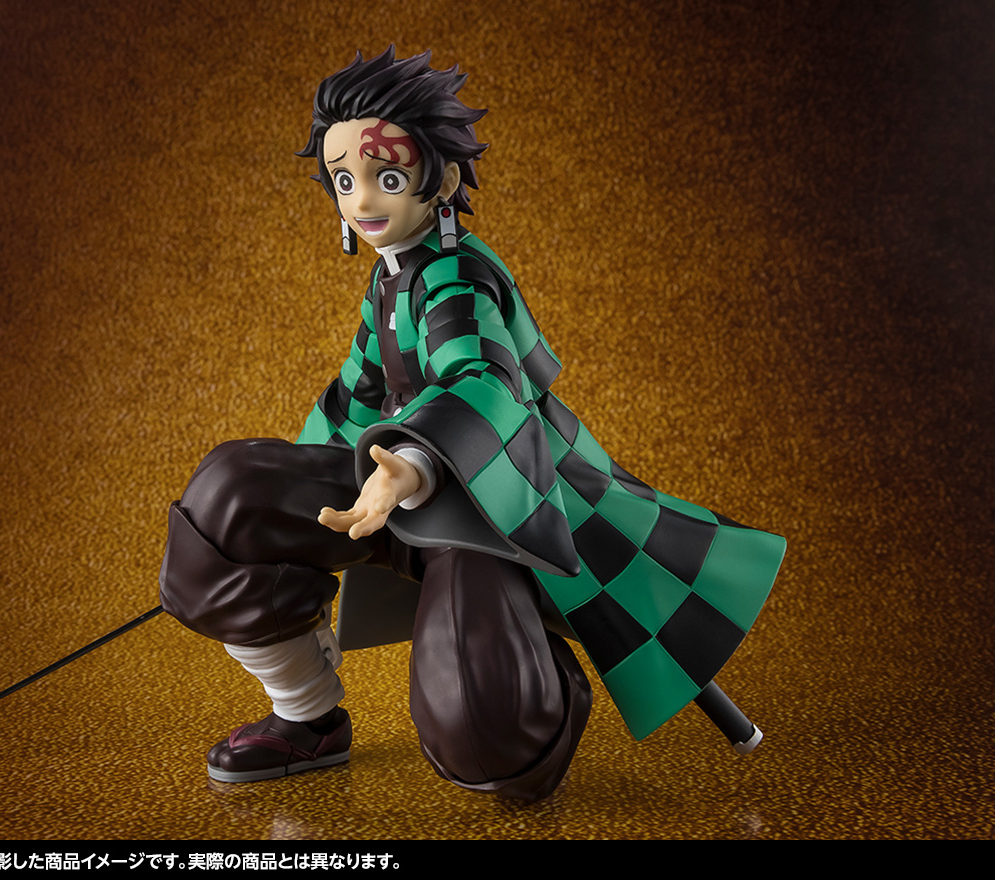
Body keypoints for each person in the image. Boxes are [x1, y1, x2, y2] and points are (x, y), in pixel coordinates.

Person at [158, 47, 786, 802]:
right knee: (229, 496)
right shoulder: (391, 279)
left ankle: (534, 681)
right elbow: (355, 397)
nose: (363, 201)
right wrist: (269, 526)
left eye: (388, 179)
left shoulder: (457, 275)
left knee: (481, 728)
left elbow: (483, 378)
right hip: (395, 491)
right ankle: (307, 715)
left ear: (443, 181)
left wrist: (411, 463)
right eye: (344, 180)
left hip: (495, 508)